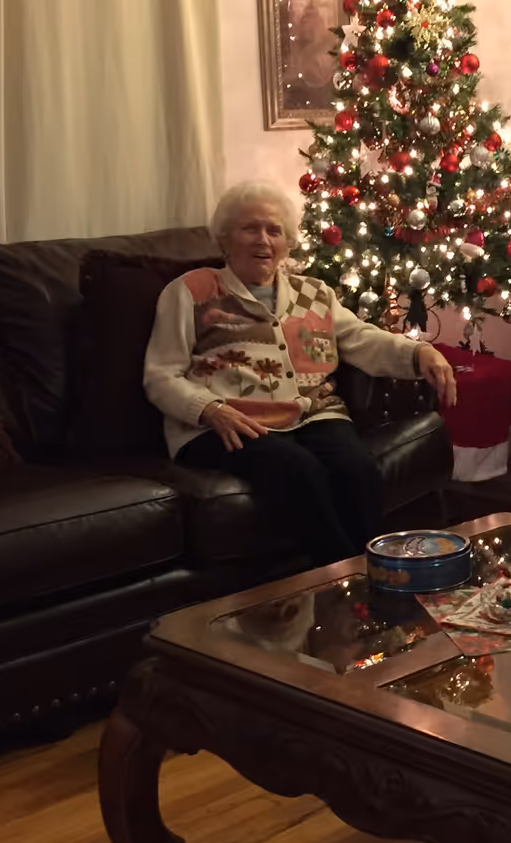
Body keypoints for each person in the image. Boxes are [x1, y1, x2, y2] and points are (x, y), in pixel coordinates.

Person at [142, 182, 458, 566]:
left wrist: (420, 351)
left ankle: (364, 579)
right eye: (249, 228)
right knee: (298, 469)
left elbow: (361, 338)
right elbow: (160, 374)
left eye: (273, 230)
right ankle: (356, 577)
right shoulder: (191, 291)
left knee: (357, 469)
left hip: (313, 413)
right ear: (225, 238)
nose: (263, 240)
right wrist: (207, 408)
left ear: (288, 242)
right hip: (226, 421)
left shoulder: (313, 293)